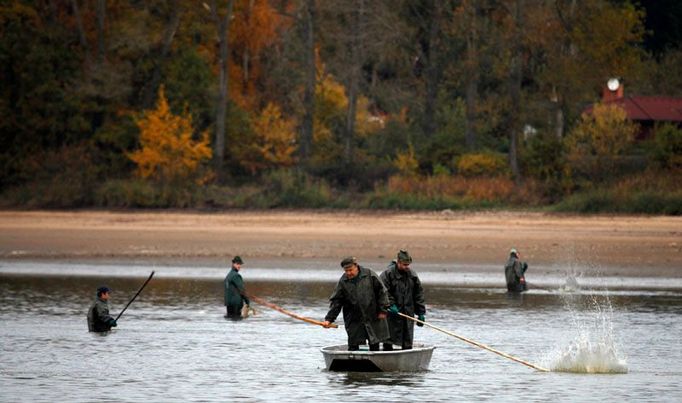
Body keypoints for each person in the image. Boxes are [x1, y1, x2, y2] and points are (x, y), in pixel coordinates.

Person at [322, 257, 390, 351]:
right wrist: (329, 319)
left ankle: (375, 360)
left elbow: (382, 292)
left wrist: (383, 310)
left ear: (356, 266)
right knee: (353, 343)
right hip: (353, 318)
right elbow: (336, 302)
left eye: (350, 270)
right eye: (346, 271)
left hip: (373, 315)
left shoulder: (369, 274)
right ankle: (352, 363)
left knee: (374, 342)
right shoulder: (343, 281)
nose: (348, 273)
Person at [380, 249, 426, 351]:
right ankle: (387, 354)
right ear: (398, 262)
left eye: (408, 265)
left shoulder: (412, 275)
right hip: (390, 312)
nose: (406, 267)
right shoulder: (387, 274)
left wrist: (421, 313)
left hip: (408, 312)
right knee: (388, 338)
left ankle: (406, 356)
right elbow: (383, 291)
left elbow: (418, 295)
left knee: (407, 339)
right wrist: (390, 304)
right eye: (404, 265)